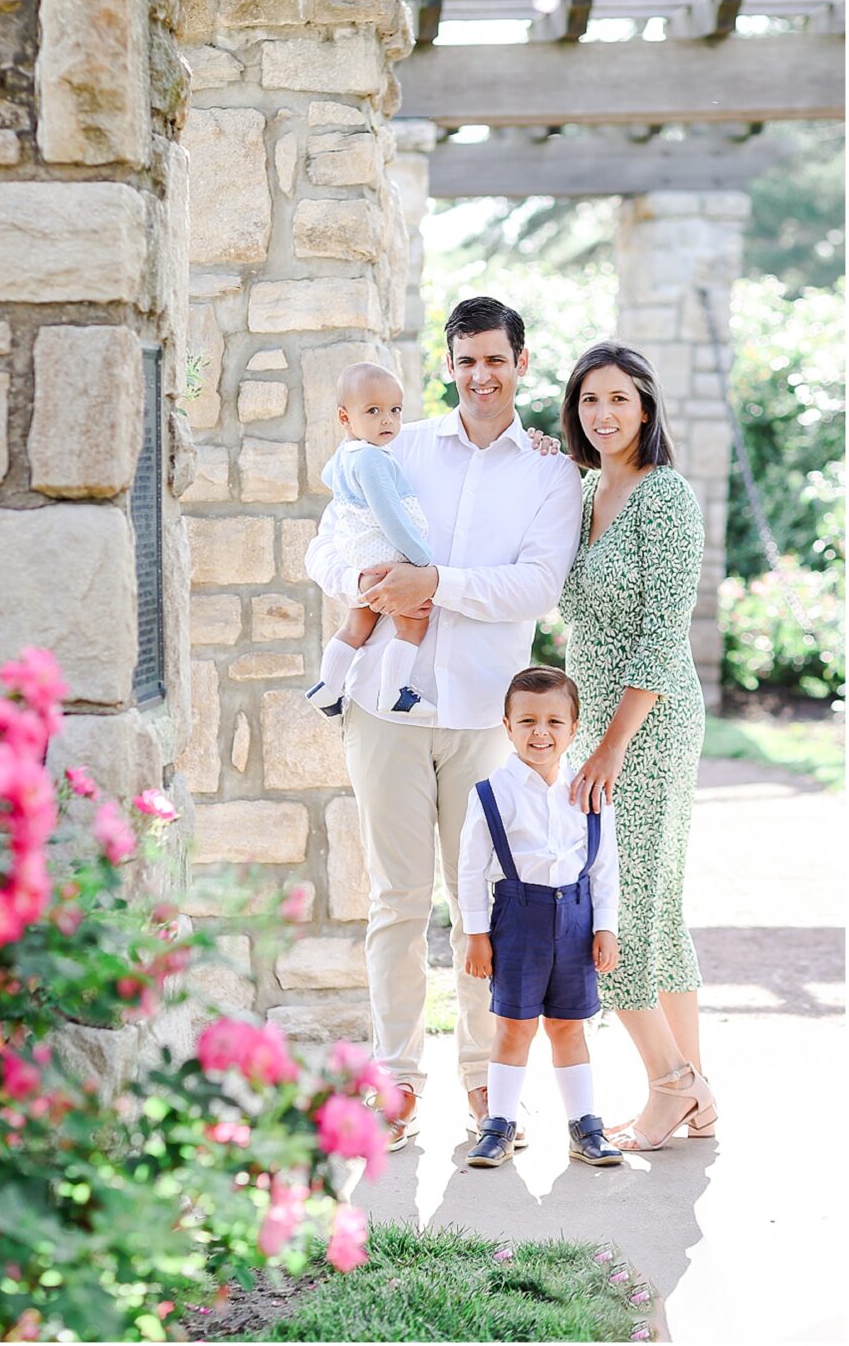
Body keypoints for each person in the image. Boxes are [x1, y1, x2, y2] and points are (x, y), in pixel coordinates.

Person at [305, 296, 582, 1148]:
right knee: (393, 898)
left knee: (489, 905)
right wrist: (359, 579)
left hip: (484, 719)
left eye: (494, 359)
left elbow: (536, 586)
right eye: (465, 361)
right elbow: (327, 542)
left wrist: (435, 586)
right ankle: (393, 1080)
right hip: (385, 706)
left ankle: (481, 1084)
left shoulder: (548, 472)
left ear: (520, 363)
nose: (479, 375)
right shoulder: (399, 444)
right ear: (449, 365)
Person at [558, 341, 717, 1151]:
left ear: (645, 409)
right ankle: (699, 1093)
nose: (604, 414)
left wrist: (609, 748)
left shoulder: (667, 500)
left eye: (618, 399)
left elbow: (660, 640)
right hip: (594, 724)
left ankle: (668, 1085)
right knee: (656, 907)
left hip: (643, 728)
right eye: (589, 401)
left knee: (610, 919)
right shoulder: (585, 490)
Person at [459, 666, 622, 1168]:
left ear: (574, 728)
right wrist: (476, 936)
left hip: (576, 919)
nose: (541, 732)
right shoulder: (491, 793)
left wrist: (605, 928)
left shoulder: (588, 792)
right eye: (527, 720)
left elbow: (604, 868)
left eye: (554, 721)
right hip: (517, 916)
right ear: (507, 726)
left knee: (569, 1027)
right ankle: (500, 1124)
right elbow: (469, 871)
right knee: (514, 1025)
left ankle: (585, 1125)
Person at [306, 363, 437, 723]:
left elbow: (327, 477)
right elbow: (390, 516)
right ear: (345, 417)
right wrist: (421, 562)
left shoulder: (346, 455)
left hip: (362, 557)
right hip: (387, 556)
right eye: (373, 411)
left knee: (356, 627)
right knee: (413, 623)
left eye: (395, 410)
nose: (387, 421)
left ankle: (328, 686)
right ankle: (393, 692)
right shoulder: (371, 459)